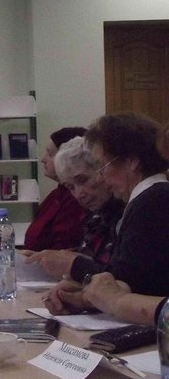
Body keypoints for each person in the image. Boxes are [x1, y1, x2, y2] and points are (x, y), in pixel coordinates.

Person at [42, 112, 169, 315]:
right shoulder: (147, 199)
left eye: (103, 166)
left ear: (131, 161)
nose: (101, 177)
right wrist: (84, 295)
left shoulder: (152, 201)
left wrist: (75, 266)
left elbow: (129, 283)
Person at [23, 137, 124, 279]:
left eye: (83, 180)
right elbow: (91, 258)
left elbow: (117, 277)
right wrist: (45, 258)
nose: (78, 194)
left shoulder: (126, 215)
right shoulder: (94, 217)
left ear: (102, 171)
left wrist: (71, 264)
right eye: (70, 187)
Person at [24, 127, 88, 251]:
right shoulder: (56, 194)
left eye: (50, 154)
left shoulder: (74, 199)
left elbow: (63, 246)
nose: (43, 160)